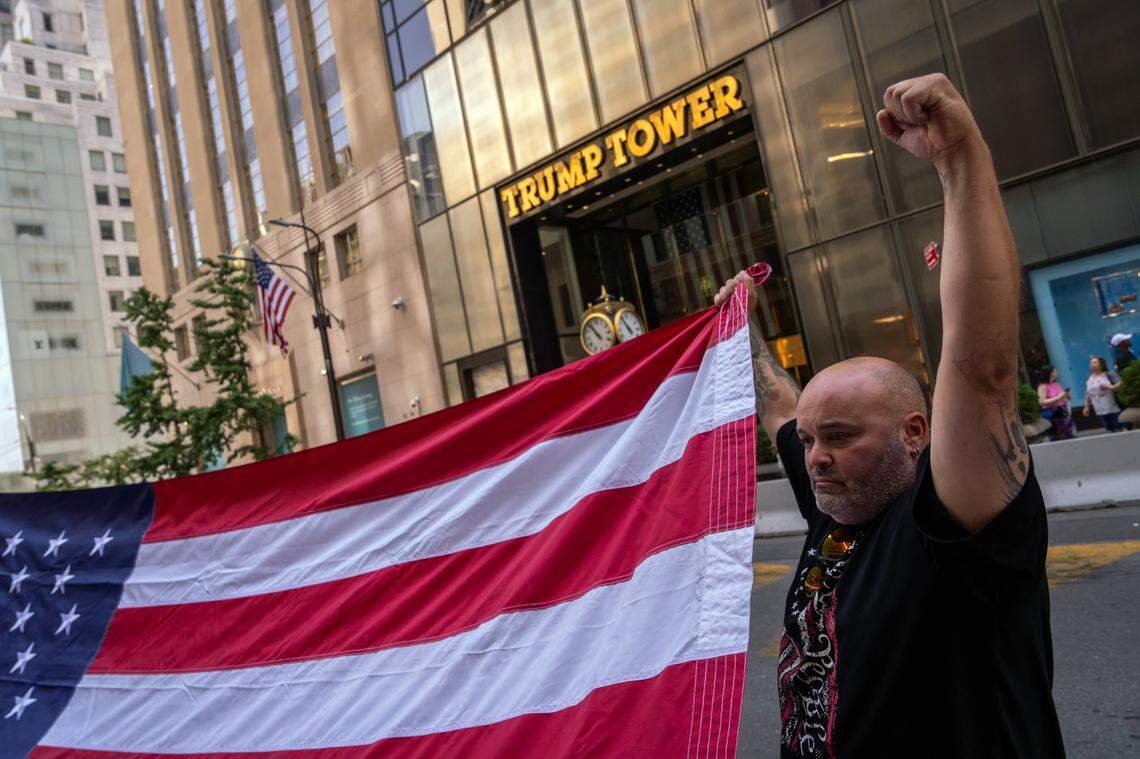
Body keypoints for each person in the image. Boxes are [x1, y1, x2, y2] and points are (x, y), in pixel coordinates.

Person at [715, 74, 1063, 757]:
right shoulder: (835, 503)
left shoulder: (952, 523)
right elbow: (781, 401)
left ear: (914, 432)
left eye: (840, 437)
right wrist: (741, 327)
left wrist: (959, 158)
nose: (814, 454)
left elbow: (982, 369)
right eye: (813, 440)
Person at [1083, 356, 1124, 432]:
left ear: (1101, 364)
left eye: (1095, 362)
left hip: (1113, 408)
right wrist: (1086, 407)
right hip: (1099, 410)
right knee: (1109, 429)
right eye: (1091, 363)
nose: (1092, 364)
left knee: (1119, 428)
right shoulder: (1089, 378)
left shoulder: (1109, 374)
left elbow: (1120, 383)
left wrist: (1111, 387)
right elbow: (1087, 393)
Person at [1036, 366, 1074, 441]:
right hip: (1054, 414)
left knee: (1069, 434)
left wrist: (1067, 395)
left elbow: (1063, 396)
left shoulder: (1056, 384)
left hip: (1063, 411)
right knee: (1058, 436)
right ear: (1050, 373)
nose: (1057, 372)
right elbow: (1042, 402)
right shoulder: (1043, 386)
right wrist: (1058, 398)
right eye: (1055, 371)